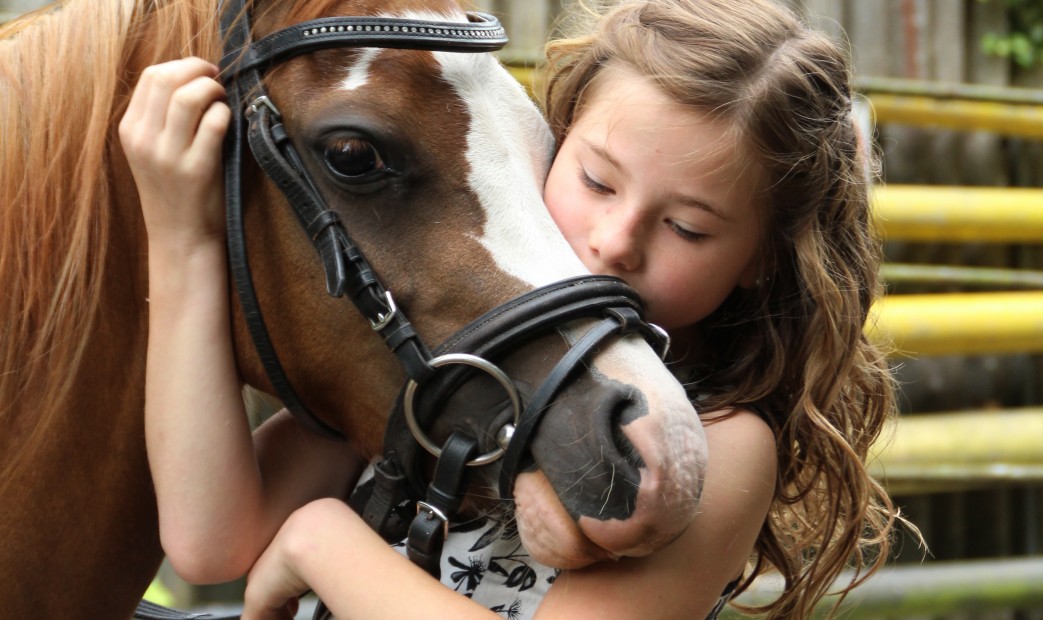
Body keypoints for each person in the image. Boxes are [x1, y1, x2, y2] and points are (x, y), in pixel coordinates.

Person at [120, 0, 910, 618]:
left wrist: (319, 541)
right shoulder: (451, 363)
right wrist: (181, 239)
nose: (613, 241)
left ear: (762, 258)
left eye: (686, 227)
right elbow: (209, 539)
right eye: (596, 182)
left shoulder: (726, 441)